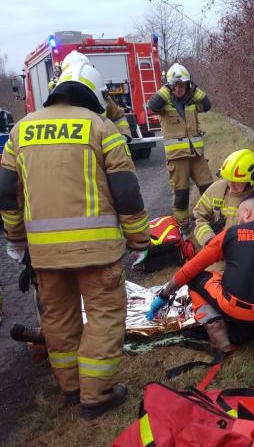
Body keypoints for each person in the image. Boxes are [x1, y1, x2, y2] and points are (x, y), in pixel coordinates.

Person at [0, 60, 150, 420]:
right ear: (93, 95)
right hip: (98, 252)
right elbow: (127, 192)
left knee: (58, 319)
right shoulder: (101, 127)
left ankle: (70, 388)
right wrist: (139, 240)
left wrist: (16, 239)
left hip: (45, 254)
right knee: (103, 317)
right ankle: (96, 395)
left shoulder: (21, 130)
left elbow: (6, 191)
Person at [149, 193, 254, 353]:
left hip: (232, 306)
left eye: (239, 215)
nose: (238, 220)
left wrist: (164, 295)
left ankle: (219, 336)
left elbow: (191, 268)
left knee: (195, 278)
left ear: (247, 213)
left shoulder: (230, 234)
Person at [147, 63, 212, 236]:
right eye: (175, 85)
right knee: (181, 195)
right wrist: (168, 87)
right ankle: (183, 228)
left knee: (209, 189)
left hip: (197, 156)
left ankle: (212, 220)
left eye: (182, 85)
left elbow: (207, 105)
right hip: (177, 158)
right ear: (170, 86)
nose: (179, 89)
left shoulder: (191, 102)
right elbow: (152, 105)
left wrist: (194, 89)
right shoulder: (164, 105)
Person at [192, 148, 254, 248]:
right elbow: (198, 216)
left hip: (244, 250)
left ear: (252, 179)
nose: (231, 186)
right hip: (216, 247)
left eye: (237, 182)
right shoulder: (216, 189)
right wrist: (209, 240)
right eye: (228, 180)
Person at [49, 50, 132, 142]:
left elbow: (118, 118)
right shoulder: (59, 101)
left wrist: (124, 136)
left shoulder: (103, 96)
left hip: (100, 143)